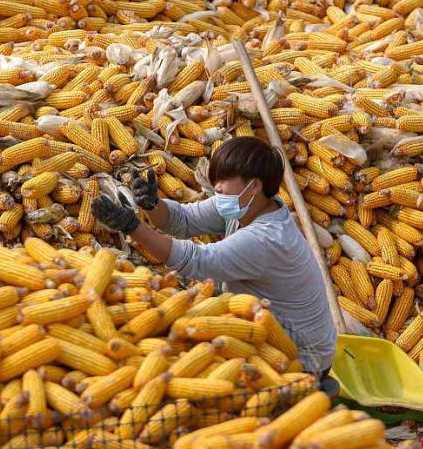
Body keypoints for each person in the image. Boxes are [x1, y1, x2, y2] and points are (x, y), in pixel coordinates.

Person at [91, 136, 338, 391]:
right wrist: (154, 205)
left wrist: (132, 227)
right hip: (265, 326)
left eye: (223, 180)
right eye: (215, 179)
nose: (216, 187)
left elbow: (196, 261)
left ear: (253, 187)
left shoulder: (266, 238)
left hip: (300, 356)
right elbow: (182, 220)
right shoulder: (249, 205)